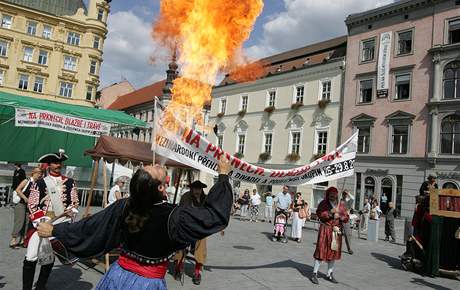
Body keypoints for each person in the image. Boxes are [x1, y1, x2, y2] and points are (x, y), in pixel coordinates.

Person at [36, 157, 233, 290]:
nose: (154, 164)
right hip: (146, 284)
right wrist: (223, 176)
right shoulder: (174, 216)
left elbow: (89, 228)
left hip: (117, 275)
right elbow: (214, 216)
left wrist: (55, 229)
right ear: (162, 187)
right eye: (152, 169)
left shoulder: (124, 206)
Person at [23, 150, 78, 290]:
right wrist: (41, 221)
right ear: (49, 165)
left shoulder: (70, 182)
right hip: (42, 223)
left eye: (59, 162)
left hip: (60, 224)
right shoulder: (40, 182)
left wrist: (70, 212)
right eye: (55, 162)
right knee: (31, 256)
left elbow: (74, 203)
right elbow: (32, 203)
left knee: (49, 258)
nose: (58, 165)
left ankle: (41, 287)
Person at [310, 187, 349, 285]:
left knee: (333, 253)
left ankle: (329, 274)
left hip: (336, 231)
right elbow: (320, 214)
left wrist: (340, 216)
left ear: (337, 194)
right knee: (321, 251)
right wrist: (330, 213)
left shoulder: (341, 205)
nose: (333, 196)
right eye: (331, 194)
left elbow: (346, 217)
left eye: (334, 194)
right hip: (325, 230)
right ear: (328, 194)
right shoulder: (323, 203)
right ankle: (314, 274)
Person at [173, 179, 209, 285]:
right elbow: (181, 210)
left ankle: (197, 272)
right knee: (181, 246)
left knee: (201, 247)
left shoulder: (205, 199)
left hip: (200, 228)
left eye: (199, 189)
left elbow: (208, 213)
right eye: (195, 189)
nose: (197, 191)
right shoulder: (186, 197)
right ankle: (178, 268)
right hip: (186, 226)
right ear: (192, 189)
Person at [10, 168, 42, 248]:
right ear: (33, 173)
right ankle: (13, 240)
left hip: (29, 205)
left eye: (40, 173)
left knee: (27, 223)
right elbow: (18, 190)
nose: (40, 175)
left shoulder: (37, 183)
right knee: (19, 221)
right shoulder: (26, 181)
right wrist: (25, 198)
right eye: (38, 173)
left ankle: (22, 240)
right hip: (21, 203)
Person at [340, 190, 354, 254]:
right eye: (344, 194)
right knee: (338, 234)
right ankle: (337, 247)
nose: (345, 195)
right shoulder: (339, 201)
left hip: (346, 219)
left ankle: (349, 249)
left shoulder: (348, 201)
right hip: (339, 219)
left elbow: (353, 198)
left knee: (347, 235)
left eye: (346, 194)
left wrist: (348, 193)